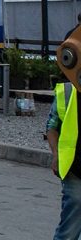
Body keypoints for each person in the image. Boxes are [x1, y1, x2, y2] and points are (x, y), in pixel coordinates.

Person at [46, 80, 81, 240]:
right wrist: (56, 155)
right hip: (75, 167)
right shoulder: (67, 91)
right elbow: (52, 126)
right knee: (71, 227)